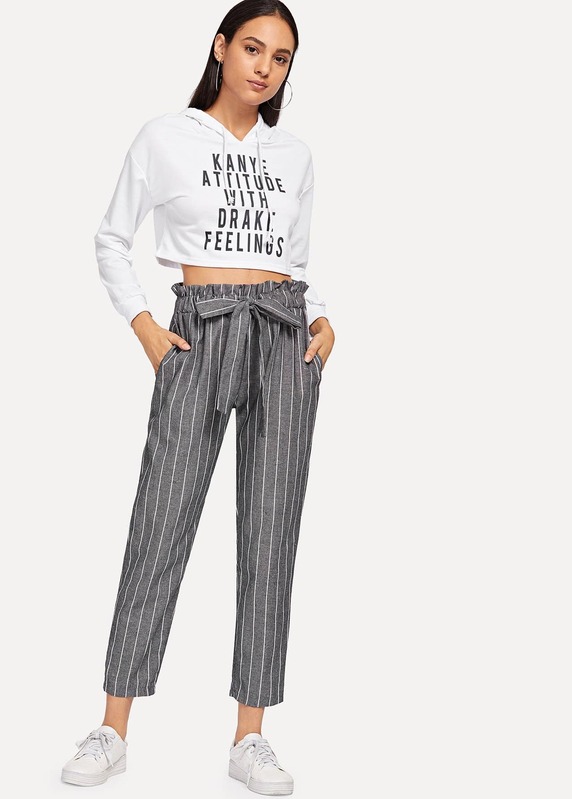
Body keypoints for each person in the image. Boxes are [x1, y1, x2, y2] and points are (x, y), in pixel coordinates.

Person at [60, 0, 334, 794]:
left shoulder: (294, 155)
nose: (264, 67)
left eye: (280, 58)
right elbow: (111, 238)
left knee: (271, 534)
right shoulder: (166, 136)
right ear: (220, 48)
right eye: (252, 48)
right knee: (160, 522)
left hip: (284, 335)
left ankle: (251, 736)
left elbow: (297, 258)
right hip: (199, 330)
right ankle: (113, 726)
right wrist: (146, 326)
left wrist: (322, 320)